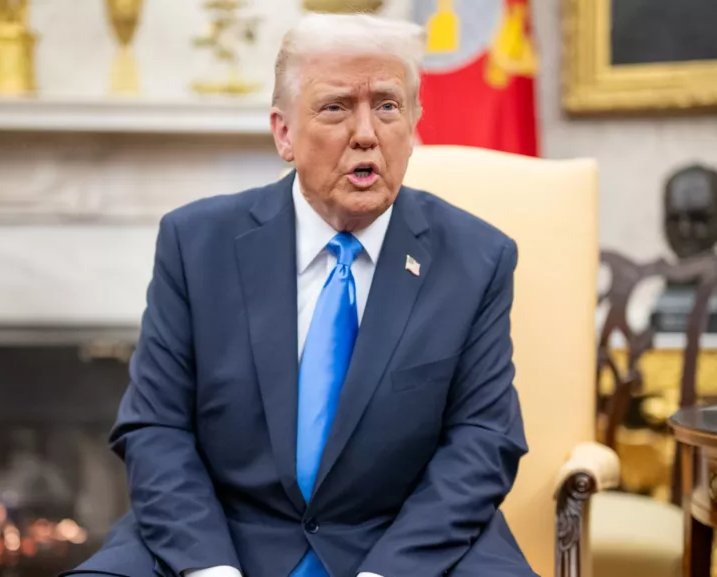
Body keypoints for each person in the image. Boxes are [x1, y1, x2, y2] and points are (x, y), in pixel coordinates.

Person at [63, 12, 535, 577]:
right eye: (336, 107)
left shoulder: (476, 258)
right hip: (225, 533)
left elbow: (483, 442)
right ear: (284, 132)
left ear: (413, 126)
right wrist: (210, 570)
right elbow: (156, 427)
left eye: (387, 106)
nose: (367, 133)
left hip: (404, 540)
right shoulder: (197, 244)